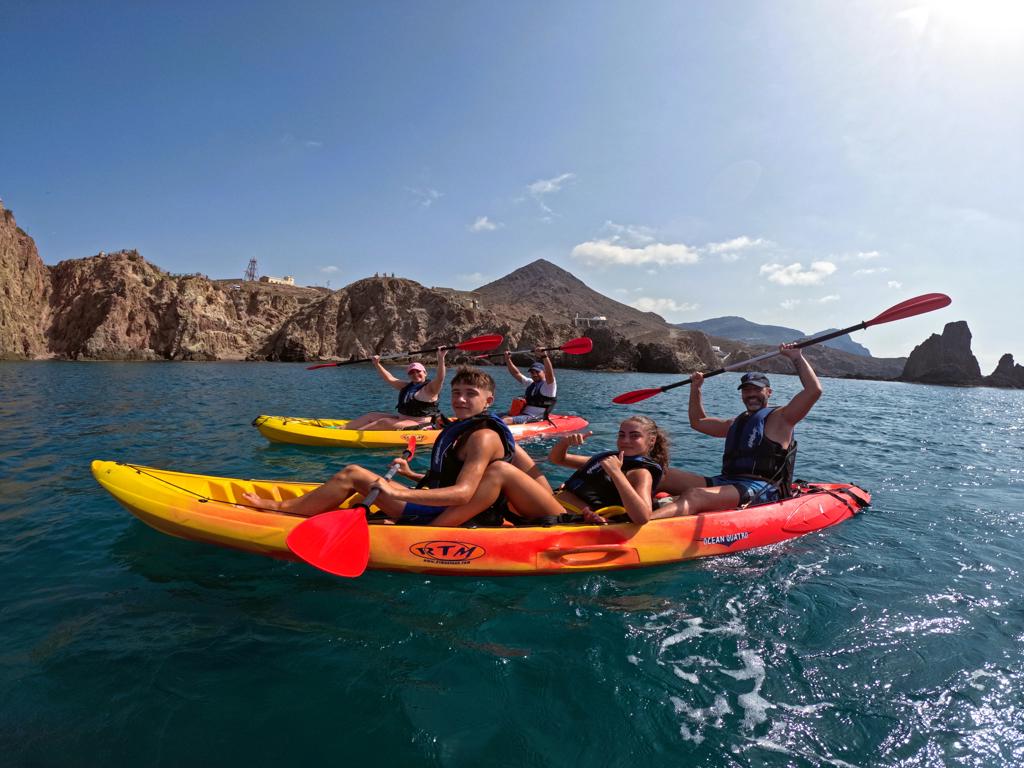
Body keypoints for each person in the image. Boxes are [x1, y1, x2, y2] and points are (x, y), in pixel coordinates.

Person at [241, 367, 565, 526]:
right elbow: (527, 469)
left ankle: (283, 510)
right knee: (365, 479)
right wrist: (412, 476)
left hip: (448, 514)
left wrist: (398, 493)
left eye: (470, 394)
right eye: (456, 393)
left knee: (354, 474)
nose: (461, 400)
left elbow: (466, 493)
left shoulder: (483, 436)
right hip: (444, 506)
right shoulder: (474, 430)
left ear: (488, 400)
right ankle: (307, 507)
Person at [658, 343, 821, 516]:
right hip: (727, 483)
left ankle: (642, 525)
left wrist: (796, 357)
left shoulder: (783, 418)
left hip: (761, 488)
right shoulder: (735, 422)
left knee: (694, 495)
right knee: (660, 475)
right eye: (746, 390)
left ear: (769, 392)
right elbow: (698, 422)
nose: (751, 394)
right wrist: (695, 388)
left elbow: (813, 390)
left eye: (757, 389)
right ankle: (636, 508)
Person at [547, 416, 669, 524]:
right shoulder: (609, 459)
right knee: (526, 461)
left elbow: (642, 517)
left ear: (652, 440)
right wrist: (565, 443)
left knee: (526, 477)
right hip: (554, 498)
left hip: (565, 512)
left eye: (634, 436)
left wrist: (615, 472)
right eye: (622, 435)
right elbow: (558, 459)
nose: (625, 440)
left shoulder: (640, 473)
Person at [344, 347, 447, 431]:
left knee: (384, 422)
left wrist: (441, 358)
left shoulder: (431, 388)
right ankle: (341, 428)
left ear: (425, 373)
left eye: (418, 371)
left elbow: (440, 378)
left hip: (420, 424)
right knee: (371, 415)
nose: (415, 374)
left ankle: (355, 434)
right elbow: (390, 378)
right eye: (412, 372)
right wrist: (377, 364)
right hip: (401, 419)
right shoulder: (406, 386)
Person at [501, 348, 557, 424]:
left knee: (504, 420)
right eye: (532, 372)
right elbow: (516, 373)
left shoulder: (549, 386)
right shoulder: (530, 383)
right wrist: (507, 359)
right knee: (494, 416)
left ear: (544, 372)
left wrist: (544, 356)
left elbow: (550, 374)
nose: (534, 374)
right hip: (522, 414)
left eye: (537, 372)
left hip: (534, 417)